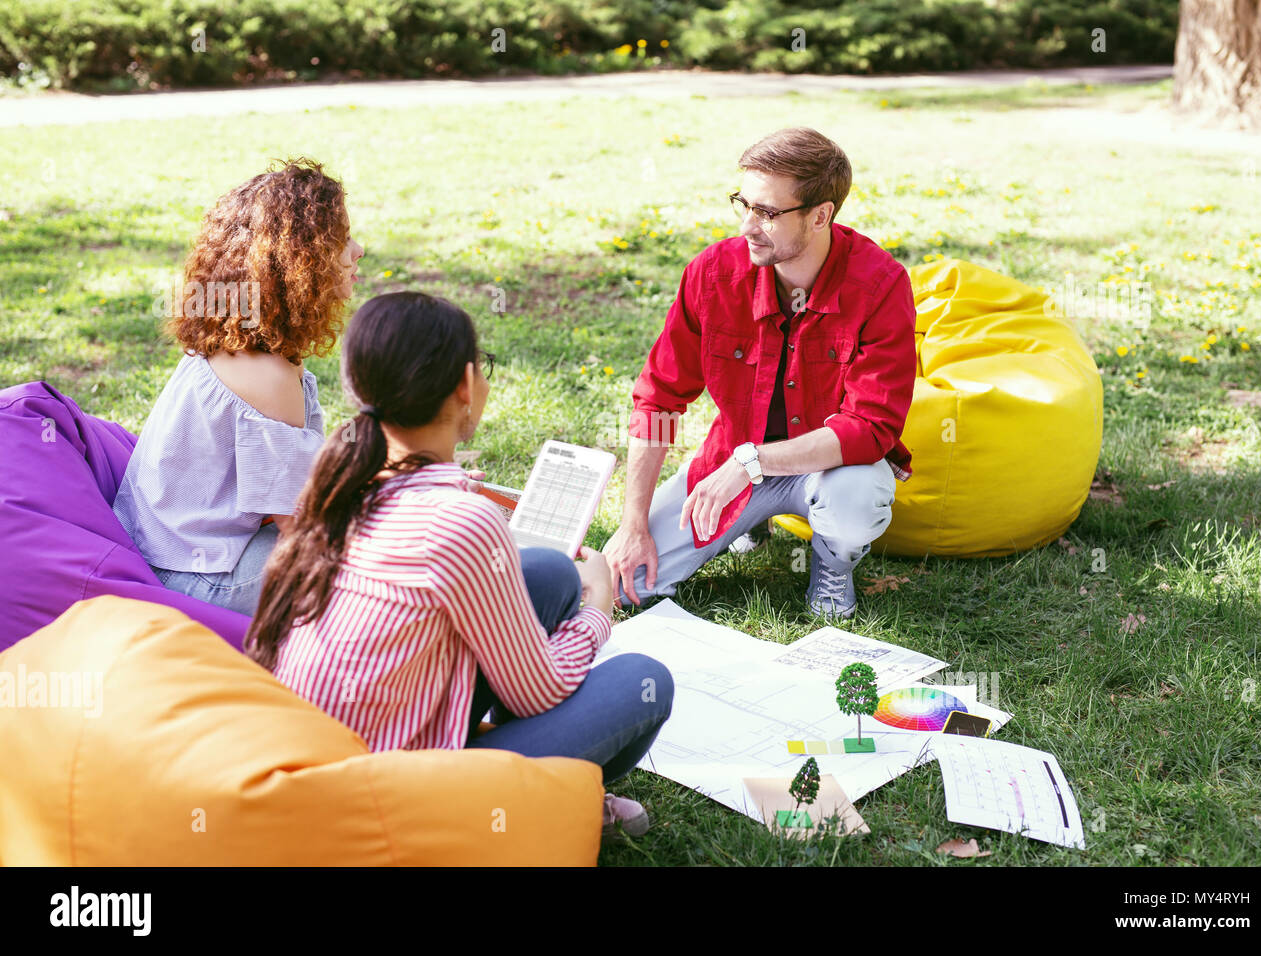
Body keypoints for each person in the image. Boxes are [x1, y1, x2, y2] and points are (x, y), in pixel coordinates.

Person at [243, 291, 673, 839]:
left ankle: (532, 785)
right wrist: (597, 607)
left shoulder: (341, 483)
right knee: (645, 681)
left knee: (547, 572)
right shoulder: (462, 522)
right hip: (388, 805)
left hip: (323, 765)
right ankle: (543, 808)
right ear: (465, 387)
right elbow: (535, 691)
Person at [604, 127, 917, 620]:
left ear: (820, 215)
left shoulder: (880, 285)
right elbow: (658, 399)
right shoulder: (711, 274)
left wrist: (752, 463)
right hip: (731, 463)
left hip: (827, 469)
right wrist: (633, 523)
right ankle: (748, 522)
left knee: (857, 500)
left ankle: (833, 563)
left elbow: (870, 427)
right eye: (743, 204)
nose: (748, 226)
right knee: (624, 586)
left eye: (767, 213)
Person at [112, 158, 363, 615]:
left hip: (159, 550)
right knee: (360, 565)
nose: (358, 249)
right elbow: (303, 522)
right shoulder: (269, 377)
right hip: (197, 580)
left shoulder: (225, 337)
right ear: (300, 261)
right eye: (341, 239)